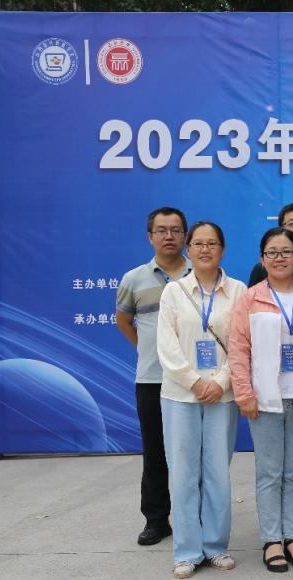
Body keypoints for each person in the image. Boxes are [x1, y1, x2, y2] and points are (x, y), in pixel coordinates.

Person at [229, 227, 293, 573]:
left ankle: (292, 535)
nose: (280, 258)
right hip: (264, 400)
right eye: (272, 252)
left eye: (286, 252)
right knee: (270, 472)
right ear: (262, 258)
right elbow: (238, 349)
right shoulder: (250, 298)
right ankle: (272, 539)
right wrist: (244, 393)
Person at [156, 222, 245, 579]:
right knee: (183, 473)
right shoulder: (174, 291)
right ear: (188, 249)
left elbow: (241, 343)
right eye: (198, 243)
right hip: (181, 396)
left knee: (217, 473)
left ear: (222, 249)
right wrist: (194, 382)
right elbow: (167, 346)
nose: (205, 249)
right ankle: (187, 551)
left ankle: (216, 546)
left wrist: (220, 381)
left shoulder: (238, 291)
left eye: (212, 243)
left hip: (223, 396)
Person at [116, 207, 192, 546]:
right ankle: (156, 520)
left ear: (185, 236)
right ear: (150, 237)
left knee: (191, 454)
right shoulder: (134, 279)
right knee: (155, 452)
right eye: (161, 230)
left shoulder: (199, 274)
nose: (168, 236)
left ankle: (196, 519)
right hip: (152, 379)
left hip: (193, 380)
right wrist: (149, 349)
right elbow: (123, 320)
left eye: (175, 230)